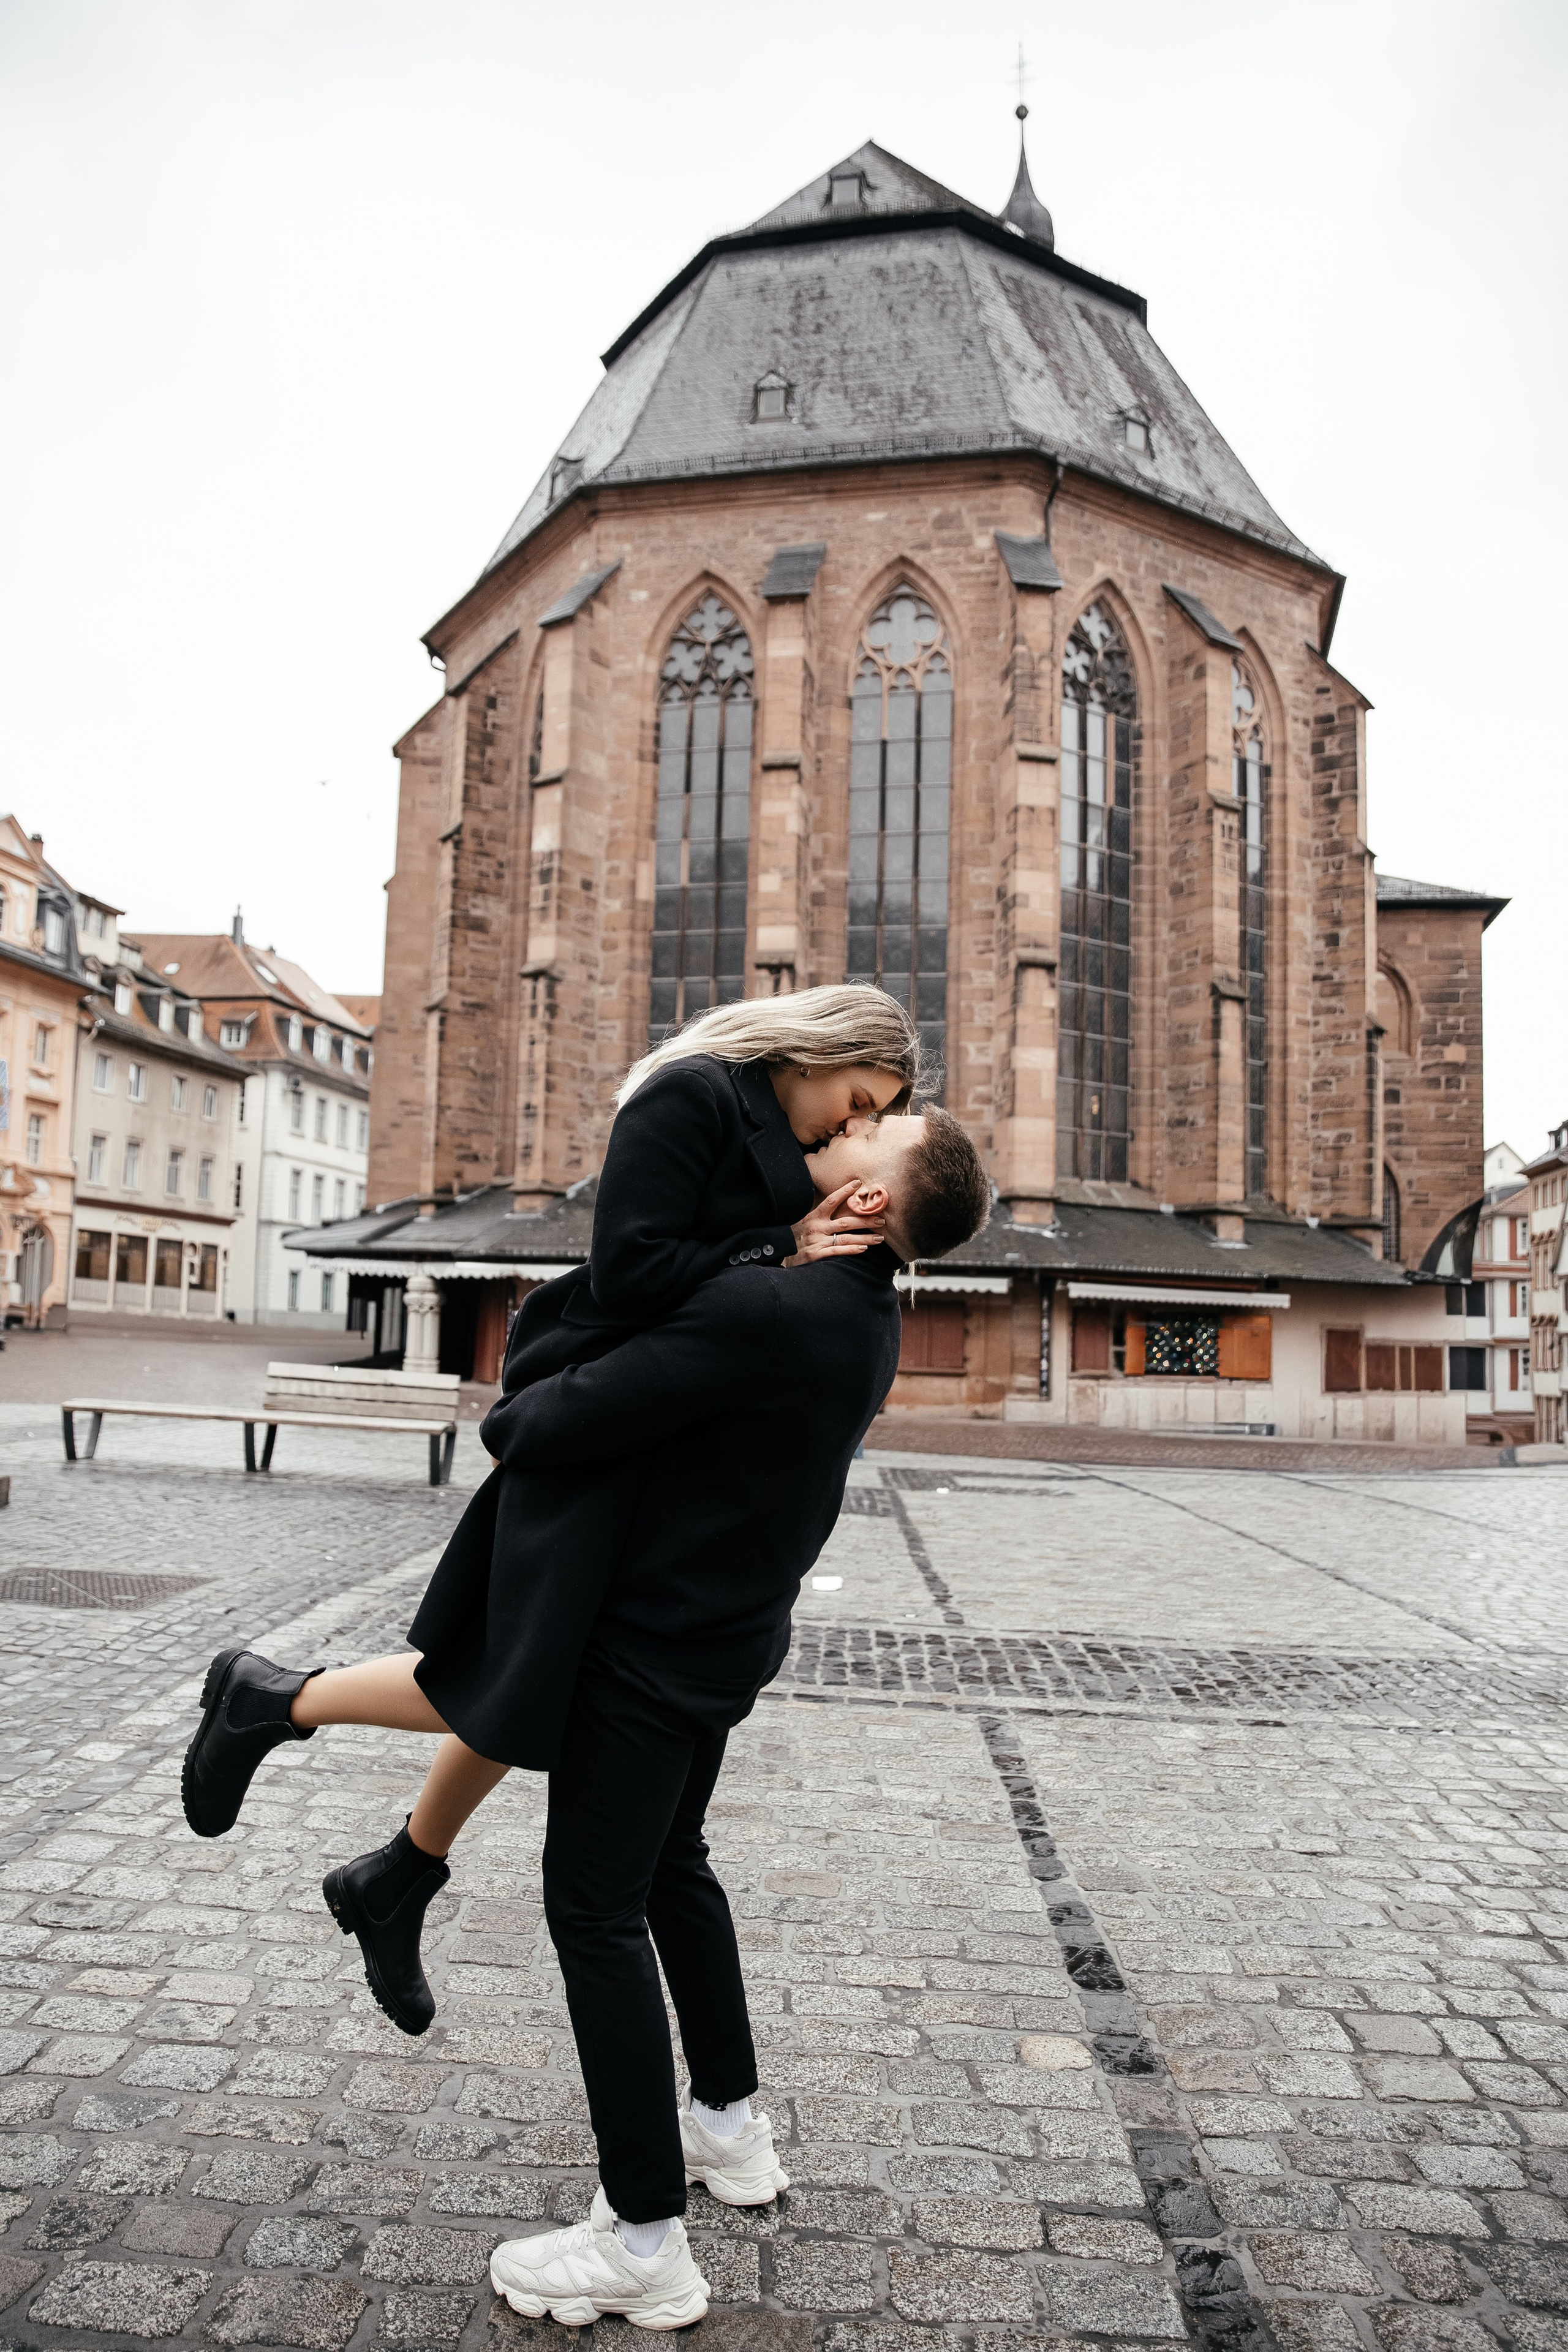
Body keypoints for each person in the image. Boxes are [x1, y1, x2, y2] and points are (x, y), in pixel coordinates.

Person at [183, 1098, 988, 2326]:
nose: (849, 1120)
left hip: (646, 1655)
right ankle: (725, 2126)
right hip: (720, 1642)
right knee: (674, 1871)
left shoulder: (767, 1305)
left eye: (876, 1126)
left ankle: (642, 2242)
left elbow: (533, 1409)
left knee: (594, 1917)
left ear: (869, 1202)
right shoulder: (863, 1313)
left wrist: (725, 1258)